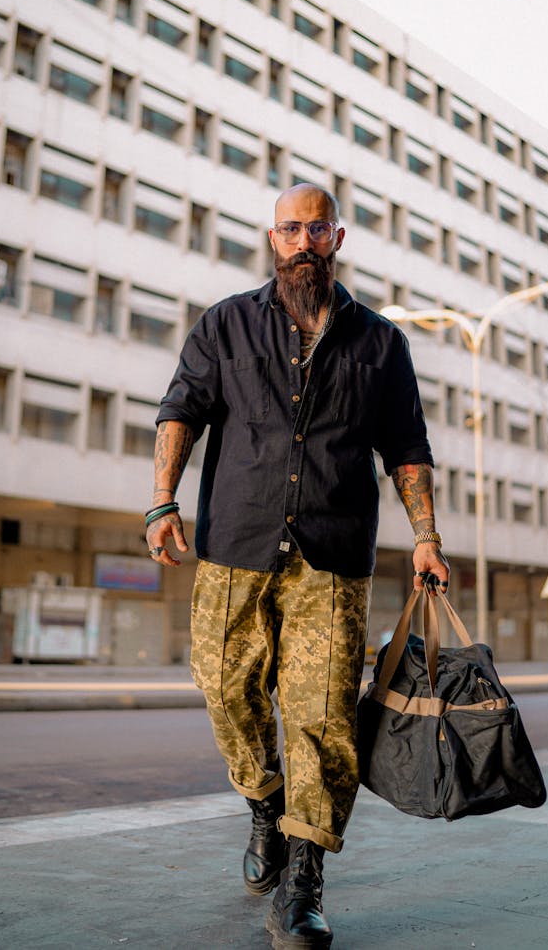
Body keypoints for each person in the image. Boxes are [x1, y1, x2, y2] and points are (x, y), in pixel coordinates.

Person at [146, 183, 449, 949]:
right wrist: (161, 499)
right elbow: (181, 407)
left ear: (337, 237)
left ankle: (304, 882)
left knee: (322, 722)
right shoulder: (225, 324)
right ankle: (263, 800)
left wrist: (425, 536)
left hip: (334, 559)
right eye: (292, 228)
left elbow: (407, 450)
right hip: (234, 548)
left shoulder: (381, 342)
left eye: (319, 228)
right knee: (223, 687)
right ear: (272, 237)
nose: (305, 240)